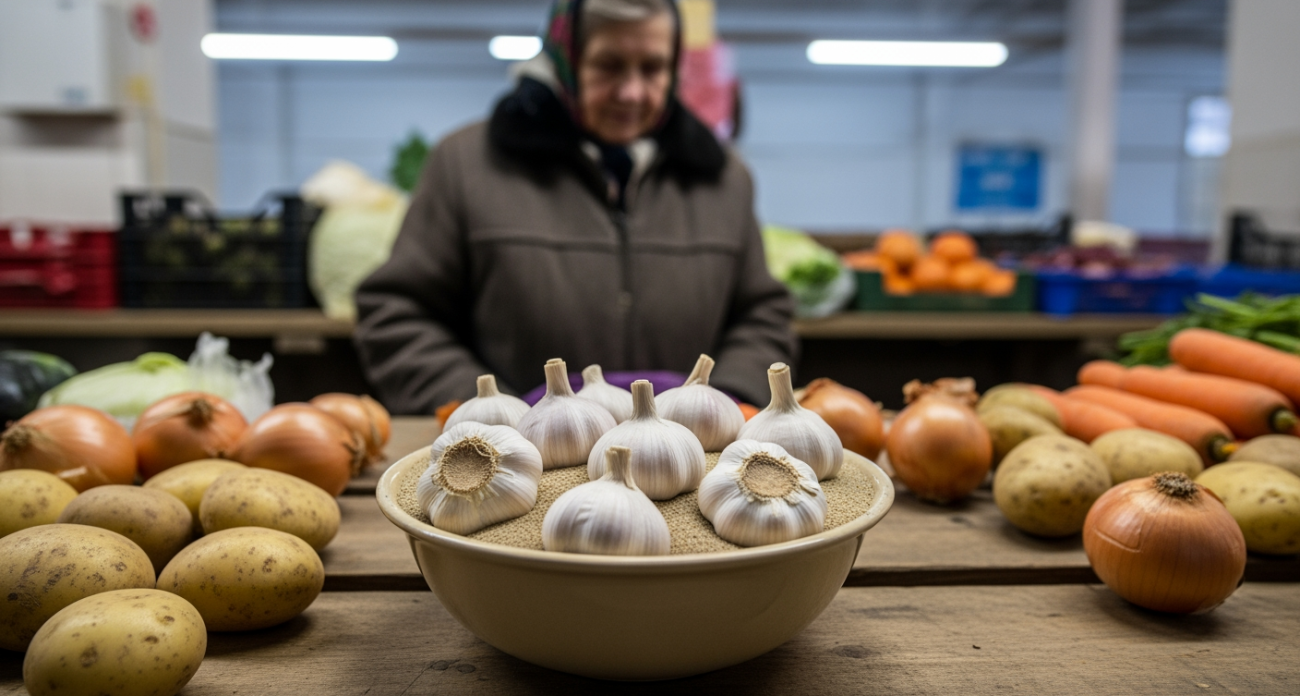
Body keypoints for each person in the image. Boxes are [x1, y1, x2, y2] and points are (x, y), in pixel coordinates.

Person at [353, 0, 796, 414]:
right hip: (514, 460)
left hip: (691, 458)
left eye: (653, 68)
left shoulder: (724, 180)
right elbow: (398, 314)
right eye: (609, 65)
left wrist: (727, 403)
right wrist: (493, 413)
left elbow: (763, 317)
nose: (632, 92)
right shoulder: (466, 165)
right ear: (564, 60)